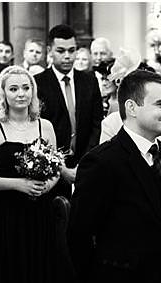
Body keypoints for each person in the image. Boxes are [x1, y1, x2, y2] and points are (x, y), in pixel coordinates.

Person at [69, 70, 161, 283]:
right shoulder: (101, 161)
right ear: (131, 107)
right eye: (160, 104)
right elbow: (79, 231)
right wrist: (90, 282)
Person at [0, 65, 83, 283]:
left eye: (25, 88)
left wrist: (47, 185)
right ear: (4, 94)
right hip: (6, 215)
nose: (20, 94)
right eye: (13, 89)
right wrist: (18, 184)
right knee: (11, 274)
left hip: (40, 212)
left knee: (41, 271)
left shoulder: (44, 126)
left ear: (33, 92)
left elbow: (57, 167)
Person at [35, 25, 105, 196]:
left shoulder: (89, 81)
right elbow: (36, 129)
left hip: (85, 162)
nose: (67, 56)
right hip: (51, 168)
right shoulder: (38, 83)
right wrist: (60, 168)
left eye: (71, 50)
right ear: (49, 50)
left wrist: (85, 161)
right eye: (61, 51)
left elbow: (97, 125)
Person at [98, 48, 141, 144]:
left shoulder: (126, 105)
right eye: (103, 79)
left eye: (108, 78)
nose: (104, 83)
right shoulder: (103, 101)